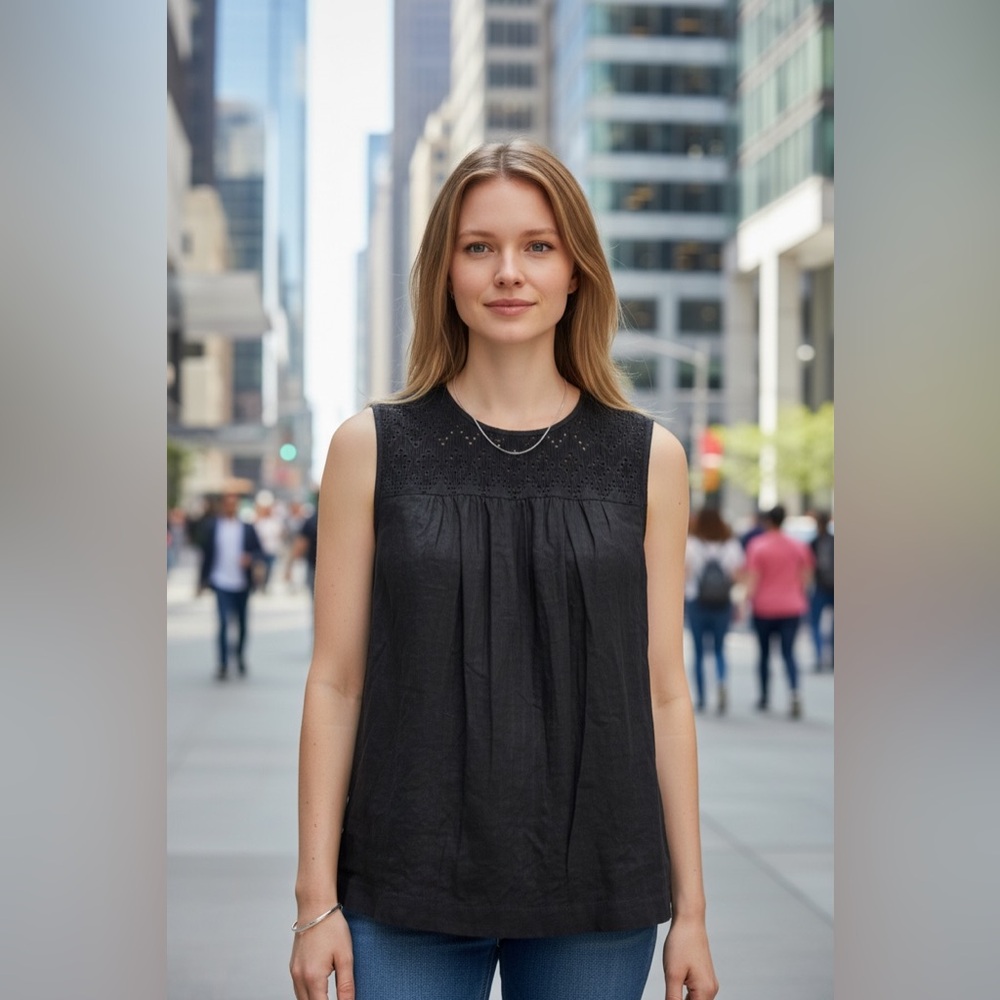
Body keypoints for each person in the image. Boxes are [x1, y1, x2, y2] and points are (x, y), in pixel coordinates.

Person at [289, 141, 718, 1000]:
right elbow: (335, 684)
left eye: (539, 245)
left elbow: (665, 690)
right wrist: (315, 901)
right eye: (479, 246)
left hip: (598, 878)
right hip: (404, 878)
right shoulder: (370, 448)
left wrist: (694, 914)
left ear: (576, 272)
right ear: (445, 270)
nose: (509, 272)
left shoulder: (650, 458)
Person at [744, 504, 814, 718]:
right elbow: (807, 576)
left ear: (767, 521)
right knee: (788, 653)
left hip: (764, 606)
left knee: (764, 654)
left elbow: (753, 579)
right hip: (791, 606)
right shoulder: (798, 546)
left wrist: (746, 601)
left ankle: (764, 695)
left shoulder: (758, 546)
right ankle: (794, 693)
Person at [684, 507, 745, 715]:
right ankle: (720, 681)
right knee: (719, 649)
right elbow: (737, 577)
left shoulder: (691, 545)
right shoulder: (731, 545)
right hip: (722, 603)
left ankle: (701, 697)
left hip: (696, 602)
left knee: (699, 652)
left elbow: (685, 574)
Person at [196, 491, 263, 680]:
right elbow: (206, 555)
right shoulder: (213, 527)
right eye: (227, 503)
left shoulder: (247, 528)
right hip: (220, 581)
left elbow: (259, 551)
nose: (230, 506)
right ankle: (223, 664)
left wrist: (250, 558)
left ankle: (240, 656)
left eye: (234, 503)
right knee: (224, 622)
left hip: (242, 582)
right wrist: (200, 581)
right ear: (222, 505)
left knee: (242, 624)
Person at [808, 510, 835, 671]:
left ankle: (819, 657)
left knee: (815, 624)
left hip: (820, 587)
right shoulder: (834, 541)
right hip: (833, 587)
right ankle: (831, 657)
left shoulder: (814, 542)